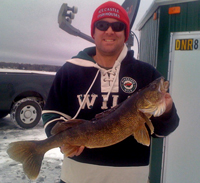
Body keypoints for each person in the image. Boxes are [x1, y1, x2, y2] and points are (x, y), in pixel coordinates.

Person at [42, 1, 179, 183]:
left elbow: (162, 131)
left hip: (131, 178)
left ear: (125, 33)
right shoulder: (70, 71)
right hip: (77, 177)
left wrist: (166, 109)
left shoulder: (147, 73)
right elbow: (52, 116)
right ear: (94, 31)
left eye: (117, 26)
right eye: (102, 25)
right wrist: (64, 142)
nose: (109, 31)